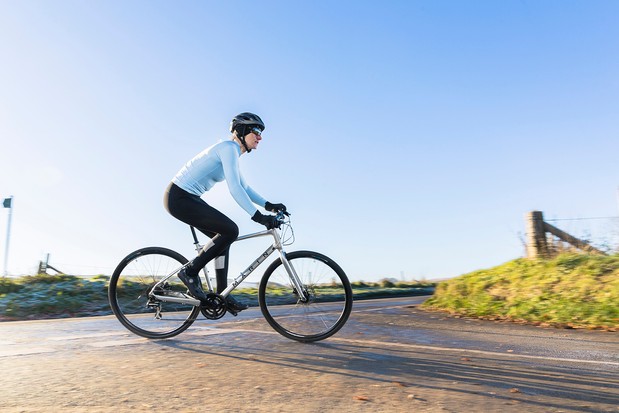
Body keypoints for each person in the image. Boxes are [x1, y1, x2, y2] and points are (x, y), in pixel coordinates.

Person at [163, 112, 287, 314]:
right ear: (242, 131)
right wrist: (258, 217)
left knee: (223, 237)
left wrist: (269, 205)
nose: (260, 137)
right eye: (256, 131)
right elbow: (234, 189)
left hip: (188, 199)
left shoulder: (233, 154)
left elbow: (244, 187)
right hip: (179, 197)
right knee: (230, 230)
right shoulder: (228, 148)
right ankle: (189, 272)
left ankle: (222, 293)